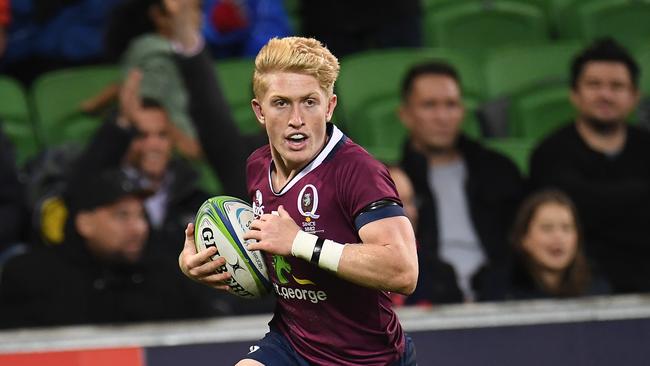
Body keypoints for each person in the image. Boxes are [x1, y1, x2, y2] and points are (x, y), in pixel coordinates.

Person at [179, 36, 418, 365]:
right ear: (259, 111)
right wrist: (208, 264)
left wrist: (301, 243)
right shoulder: (257, 167)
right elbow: (266, 267)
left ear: (329, 106)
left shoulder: (358, 172)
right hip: (293, 345)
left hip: (367, 358)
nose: (296, 119)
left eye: (309, 102)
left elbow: (403, 271)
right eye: (281, 103)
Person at [0, 168, 217, 329]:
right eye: (122, 215)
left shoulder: (166, 275)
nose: (139, 228)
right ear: (84, 223)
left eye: (141, 215)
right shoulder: (31, 276)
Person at [529, 38, 650, 293]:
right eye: (594, 85)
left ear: (634, 96)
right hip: (576, 291)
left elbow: (582, 203)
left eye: (616, 86)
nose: (605, 94)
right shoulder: (550, 152)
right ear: (575, 93)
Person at [398, 62, 524, 304]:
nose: (442, 116)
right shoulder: (393, 182)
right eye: (429, 105)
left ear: (463, 111)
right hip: (427, 303)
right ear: (405, 115)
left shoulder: (499, 170)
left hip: (503, 300)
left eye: (451, 105)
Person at [507, 190, 610, 300]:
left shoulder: (597, 290)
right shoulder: (501, 290)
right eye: (547, 228)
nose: (558, 237)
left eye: (566, 228)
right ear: (524, 238)